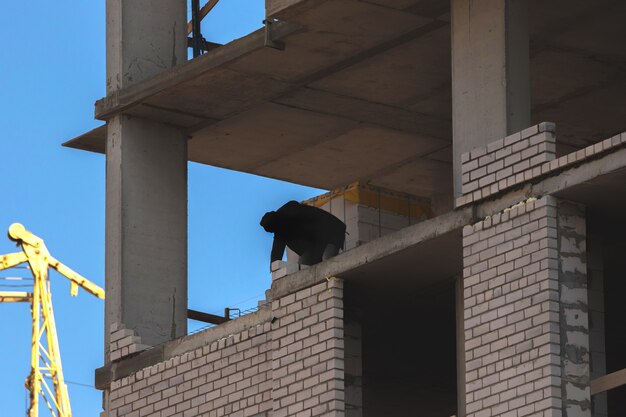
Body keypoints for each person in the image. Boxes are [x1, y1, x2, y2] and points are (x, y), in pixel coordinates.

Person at [260, 200, 346, 268]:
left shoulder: (292, 213)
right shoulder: (280, 229)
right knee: (302, 268)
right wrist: (274, 271)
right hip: (314, 244)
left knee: (327, 262)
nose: (275, 233)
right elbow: (276, 252)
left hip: (331, 232)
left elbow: (318, 224)